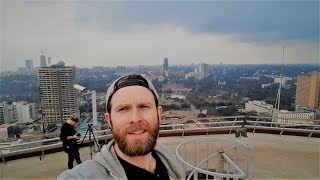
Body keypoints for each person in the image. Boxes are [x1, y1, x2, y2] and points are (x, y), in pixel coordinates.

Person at [58, 74, 185, 179]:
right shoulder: (82, 176)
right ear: (109, 120)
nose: (135, 119)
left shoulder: (173, 163)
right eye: (123, 109)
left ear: (159, 114)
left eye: (144, 107)